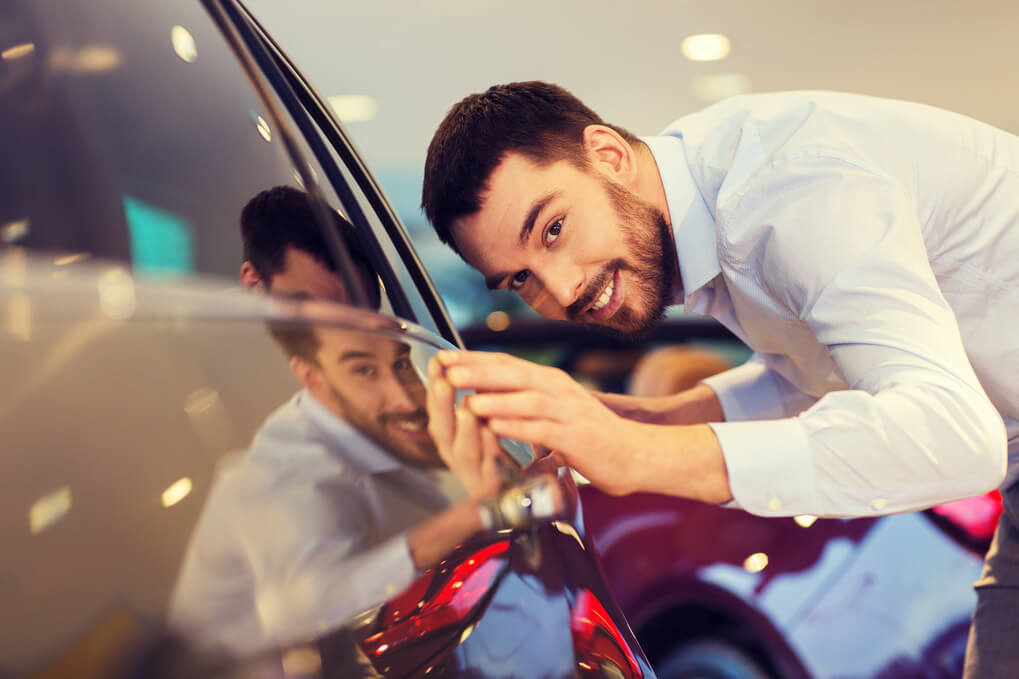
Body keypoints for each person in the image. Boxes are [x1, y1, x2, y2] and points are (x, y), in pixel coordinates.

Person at [419, 82, 1018, 676]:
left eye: (552, 229)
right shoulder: (711, 202)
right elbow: (814, 370)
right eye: (520, 278)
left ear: (607, 155)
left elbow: (957, 435)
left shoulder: (790, 191)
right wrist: (638, 420)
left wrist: (637, 454)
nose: (561, 289)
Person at [169, 187, 515, 655]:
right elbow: (309, 608)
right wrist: (466, 521)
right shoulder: (272, 457)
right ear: (254, 286)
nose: (340, 335)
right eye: (310, 309)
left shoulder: (393, 406)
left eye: (358, 316)